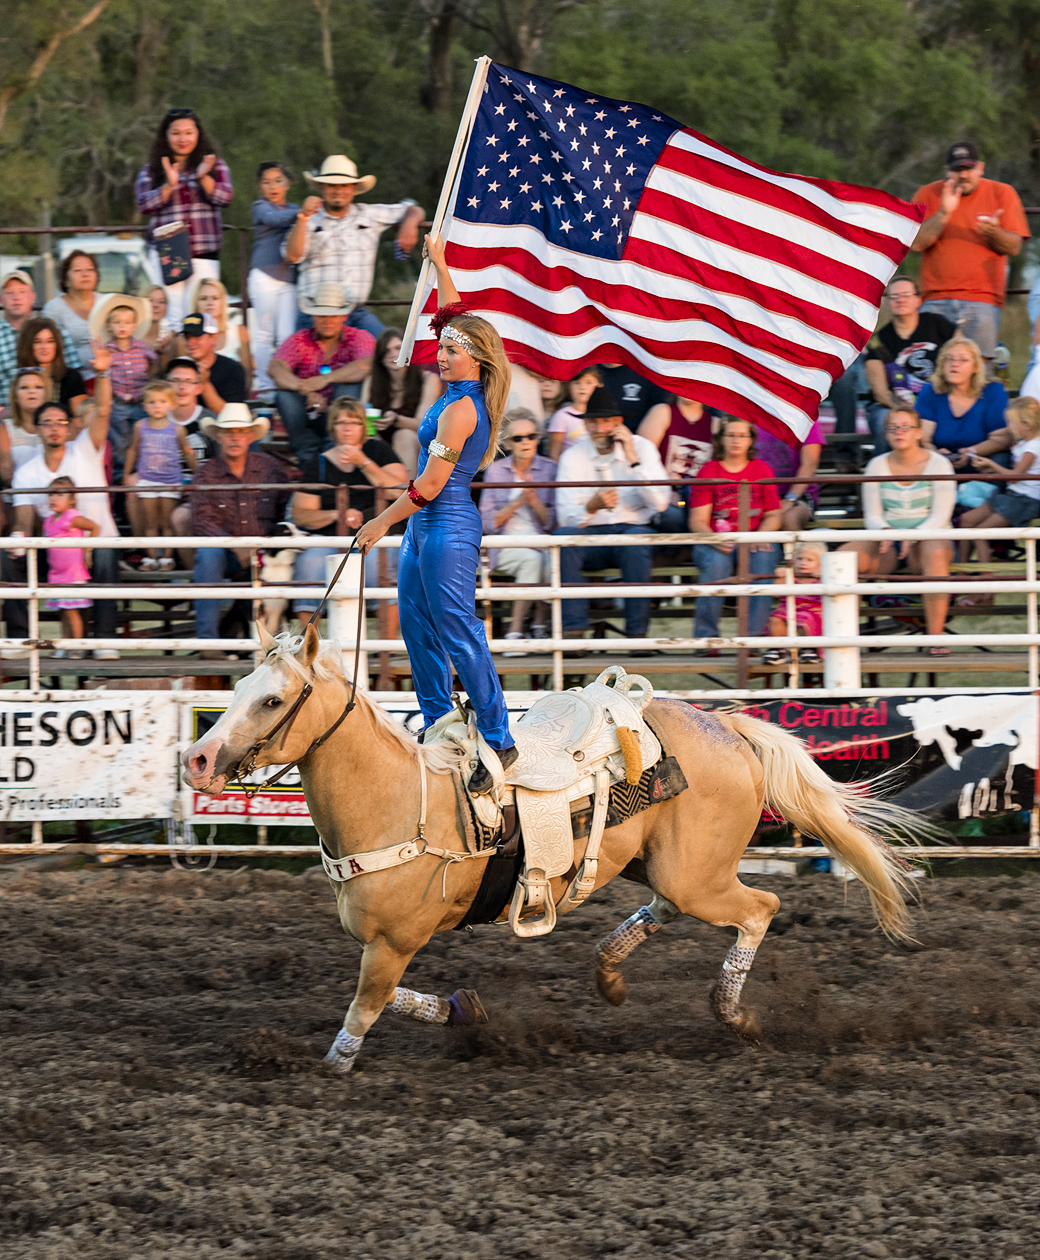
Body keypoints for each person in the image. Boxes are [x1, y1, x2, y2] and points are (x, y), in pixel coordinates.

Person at [354, 231, 515, 793]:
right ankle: (439, 724)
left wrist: (380, 521)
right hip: (425, 527)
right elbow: (453, 315)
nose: (440, 354)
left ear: (476, 358)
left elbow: (427, 486)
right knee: (418, 629)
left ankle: (498, 738)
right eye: (442, 347)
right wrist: (442, 264)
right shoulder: (456, 392)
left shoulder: (462, 411)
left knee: (457, 629)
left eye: (450, 351)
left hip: (445, 524)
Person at [5, 351, 120, 661]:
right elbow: (24, 519)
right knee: (8, 556)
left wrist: (103, 373)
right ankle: (19, 639)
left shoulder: (85, 448)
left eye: (60, 422)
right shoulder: (27, 471)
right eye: (47, 423)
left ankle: (105, 640)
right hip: (57, 554)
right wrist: (18, 538)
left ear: (69, 428)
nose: (54, 428)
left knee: (106, 554)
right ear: (38, 429)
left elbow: (103, 411)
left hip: (97, 543)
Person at [553, 386, 670, 644]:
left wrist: (632, 458)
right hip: (591, 534)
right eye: (593, 422)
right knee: (563, 539)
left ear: (618, 422)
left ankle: (637, 636)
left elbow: (661, 503)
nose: (599, 428)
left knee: (636, 542)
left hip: (631, 530)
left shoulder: (642, 448)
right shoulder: (573, 456)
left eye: (606, 421)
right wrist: (591, 506)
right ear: (586, 425)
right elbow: (565, 517)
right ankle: (573, 634)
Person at [838, 406, 955, 651]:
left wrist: (912, 536)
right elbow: (873, 515)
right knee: (843, 559)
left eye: (905, 427)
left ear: (919, 432)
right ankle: (841, 641)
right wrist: (885, 531)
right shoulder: (876, 465)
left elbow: (941, 515)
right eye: (893, 428)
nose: (899, 432)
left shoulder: (940, 464)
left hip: (930, 539)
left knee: (934, 554)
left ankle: (936, 639)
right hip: (888, 542)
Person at [290, 397, 408, 632]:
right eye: (341, 422)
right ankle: (309, 643)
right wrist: (337, 514)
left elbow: (399, 493)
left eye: (354, 422)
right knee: (309, 563)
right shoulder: (319, 463)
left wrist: (363, 462)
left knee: (376, 563)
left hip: (378, 534)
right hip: (331, 537)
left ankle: (387, 644)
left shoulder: (379, 451)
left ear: (364, 426)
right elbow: (301, 515)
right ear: (332, 427)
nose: (347, 428)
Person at [911, 142, 1029, 363]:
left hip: (982, 299)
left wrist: (994, 232)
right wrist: (944, 213)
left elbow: (1014, 247)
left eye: (969, 168)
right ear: (947, 171)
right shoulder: (927, 194)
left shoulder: (1002, 193)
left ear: (980, 168)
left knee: (979, 370)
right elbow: (916, 243)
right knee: (931, 369)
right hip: (935, 298)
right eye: (957, 169)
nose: (963, 175)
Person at [283, 154, 424, 338]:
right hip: (315, 312)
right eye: (332, 185)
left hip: (354, 311)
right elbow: (292, 255)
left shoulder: (368, 214)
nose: (338, 191)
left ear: (354, 188)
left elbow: (412, 208)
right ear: (322, 187)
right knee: (305, 353)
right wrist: (302, 217)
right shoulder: (308, 218)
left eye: (344, 185)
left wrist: (410, 224)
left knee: (390, 348)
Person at [189, 404, 291, 656]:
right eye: (228, 432)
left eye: (241, 432)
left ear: (250, 436)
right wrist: (236, 545)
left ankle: (279, 643)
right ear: (218, 437)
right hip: (225, 552)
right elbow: (202, 520)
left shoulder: (271, 469)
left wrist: (267, 546)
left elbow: (285, 510)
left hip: (267, 551)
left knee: (285, 561)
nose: (235, 438)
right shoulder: (205, 474)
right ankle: (209, 643)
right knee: (208, 556)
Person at [134, 108, 234, 326]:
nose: (183, 139)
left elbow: (226, 197)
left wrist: (204, 177)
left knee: (204, 314)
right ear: (166, 136)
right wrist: (169, 185)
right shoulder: (152, 169)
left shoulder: (214, 164)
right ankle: (175, 349)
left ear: (198, 135)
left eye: (189, 133)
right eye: (176, 133)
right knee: (172, 316)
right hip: (168, 250)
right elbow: (143, 204)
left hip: (204, 249)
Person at [688, 418, 781, 644]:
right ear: (721, 439)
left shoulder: (762, 469)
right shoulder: (709, 471)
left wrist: (759, 536)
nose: (736, 440)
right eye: (730, 435)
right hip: (715, 539)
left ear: (751, 440)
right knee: (716, 565)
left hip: (754, 536)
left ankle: (753, 639)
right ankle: (706, 639)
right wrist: (714, 539)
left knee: (763, 559)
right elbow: (697, 521)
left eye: (742, 435)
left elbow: (774, 515)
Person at [268, 283, 375, 461]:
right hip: (307, 411)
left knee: (348, 389)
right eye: (322, 315)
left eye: (333, 315)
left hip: (340, 411)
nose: (327, 321)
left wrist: (325, 380)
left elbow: (366, 364)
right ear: (313, 317)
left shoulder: (359, 337)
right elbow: (276, 367)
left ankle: (334, 451)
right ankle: (309, 458)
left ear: (344, 316)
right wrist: (305, 389)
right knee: (284, 395)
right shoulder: (300, 339)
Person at [479, 408, 557, 651]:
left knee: (550, 558)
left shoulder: (550, 469)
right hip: (504, 544)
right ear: (508, 444)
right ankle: (517, 630)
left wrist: (533, 501)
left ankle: (537, 625)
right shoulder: (495, 470)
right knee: (534, 559)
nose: (526, 442)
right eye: (518, 438)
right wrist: (517, 502)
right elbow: (488, 523)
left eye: (531, 436)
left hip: (541, 539)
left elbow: (553, 522)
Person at [864, 276, 957, 456]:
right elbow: (881, 393)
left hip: (938, 399)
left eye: (906, 295)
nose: (900, 300)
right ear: (888, 302)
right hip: (894, 405)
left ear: (918, 300)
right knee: (887, 421)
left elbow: (964, 351)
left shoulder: (938, 324)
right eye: (894, 296)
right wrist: (910, 412)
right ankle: (885, 470)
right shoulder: (878, 341)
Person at [123, 380, 197, 570]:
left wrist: (197, 473)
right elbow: (133, 450)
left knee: (167, 522)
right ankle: (151, 558)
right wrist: (126, 473)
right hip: (147, 480)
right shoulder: (140, 426)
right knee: (150, 522)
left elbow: (187, 452)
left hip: (170, 481)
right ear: (144, 406)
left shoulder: (177, 429)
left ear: (172, 404)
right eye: (152, 402)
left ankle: (167, 558)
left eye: (163, 401)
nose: (157, 406)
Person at [959, 397, 1040, 567]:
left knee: (980, 533)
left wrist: (992, 464)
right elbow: (1016, 475)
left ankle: (985, 580)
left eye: (1011, 423)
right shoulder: (1025, 443)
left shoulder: (1033, 447)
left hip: (1024, 501)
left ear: (1027, 424)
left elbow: (1015, 477)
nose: (1009, 427)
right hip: (1011, 496)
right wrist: (989, 469)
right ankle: (961, 572)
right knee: (966, 520)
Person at [361, 326, 441, 474]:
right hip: (381, 440)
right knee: (369, 440)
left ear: (408, 351)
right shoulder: (371, 381)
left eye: (398, 348)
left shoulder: (428, 379)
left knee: (404, 436)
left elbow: (424, 425)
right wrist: (372, 432)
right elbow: (364, 417)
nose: (393, 354)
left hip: (416, 442)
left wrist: (396, 420)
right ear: (380, 357)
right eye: (386, 350)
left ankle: (408, 487)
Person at [249, 162, 300, 395]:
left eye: (278, 181)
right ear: (260, 186)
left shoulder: (295, 209)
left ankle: (284, 385)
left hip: (289, 279)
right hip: (264, 277)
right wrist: (304, 214)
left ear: (288, 183)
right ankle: (265, 386)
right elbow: (274, 219)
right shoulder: (261, 207)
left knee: (287, 336)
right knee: (264, 334)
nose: (273, 187)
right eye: (266, 182)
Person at [915, 338, 1010, 462]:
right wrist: (936, 455)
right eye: (949, 359)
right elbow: (923, 439)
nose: (954, 364)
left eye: (963, 360)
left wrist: (971, 452)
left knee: (1001, 459)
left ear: (975, 367)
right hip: (938, 462)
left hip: (981, 461)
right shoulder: (930, 391)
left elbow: (1001, 439)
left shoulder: (993, 391)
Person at [88, 295, 154, 469]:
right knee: (119, 440)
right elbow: (102, 372)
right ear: (109, 326)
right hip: (118, 403)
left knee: (142, 436)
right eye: (117, 322)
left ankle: (140, 469)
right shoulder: (107, 350)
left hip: (140, 401)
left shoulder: (141, 347)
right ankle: (119, 474)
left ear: (134, 326)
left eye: (127, 322)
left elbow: (154, 361)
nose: (122, 326)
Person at [638, 395, 716, 532]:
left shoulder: (715, 423)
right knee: (673, 516)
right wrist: (665, 490)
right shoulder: (663, 412)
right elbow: (641, 458)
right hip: (662, 491)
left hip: (698, 495)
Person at [42, 475, 99, 657]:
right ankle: (64, 644)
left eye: (60, 495)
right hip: (56, 574)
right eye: (51, 494)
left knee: (72, 611)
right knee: (63, 612)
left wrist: (88, 550)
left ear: (72, 499)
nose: (54, 498)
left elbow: (94, 527)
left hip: (73, 573)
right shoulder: (48, 521)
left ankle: (77, 646)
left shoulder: (72, 517)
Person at [0, 269, 81, 397]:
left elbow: (74, 378)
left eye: (22, 292)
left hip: (53, 406)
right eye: (10, 293)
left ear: (32, 297)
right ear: (1, 299)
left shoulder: (57, 331)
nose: (16, 297)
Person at [43, 251, 112, 382]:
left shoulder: (107, 302)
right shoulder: (54, 308)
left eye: (90, 269)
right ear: (65, 279)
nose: (85, 274)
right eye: (78, 270)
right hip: (71, 379)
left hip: (110, 376)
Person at [755, 418, 825, 532]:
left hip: (799, 495)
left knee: (788, 519)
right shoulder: (751, 413)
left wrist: (790, 499)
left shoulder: (806, 416)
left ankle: (799, 546)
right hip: (758, 494)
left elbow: (810, 464)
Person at [764, 541, 827, 666]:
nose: (803, 563)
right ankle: (778, 648)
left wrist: (824, 576)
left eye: (809, 560)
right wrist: (780, 577)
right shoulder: (790, 577)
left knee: (804, 620)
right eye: (799, 559)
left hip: (813, 611)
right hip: (789, 609)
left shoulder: (821, 578)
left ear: (820, 563)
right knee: (775, 618)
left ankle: (809, 647)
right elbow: (775, 594)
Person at [15, 317, 87, 412]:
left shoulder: (71, 377)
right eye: (37, 341)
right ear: (27, 345)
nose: (44, 347)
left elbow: (79, 418)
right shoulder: (20, 378)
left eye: (50, 341)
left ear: (56, 345)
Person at [187, 278, 252, 382]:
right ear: (196, 303)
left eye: (215, 298)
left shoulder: (240, 332)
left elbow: (247, 376)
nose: (210, 303)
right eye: (203, 299)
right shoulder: (185, 337)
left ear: (222, 302)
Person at [181, 312, 247, 413]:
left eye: (197, 336)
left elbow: (231, 415)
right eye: (187, 337)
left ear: (214, 338)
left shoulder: (231, 369)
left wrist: (205, 384)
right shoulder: (178, 368)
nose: (190, 342)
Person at [594, 362, 672, 431]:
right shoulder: (589, 370)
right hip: (593, 436)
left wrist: (634, 441)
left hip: (635, 439)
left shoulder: (648, 372)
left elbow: (659, 414)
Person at [0, 368, 47, 480]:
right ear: (15, 396)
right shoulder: (4, 428)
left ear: (46, 394)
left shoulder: (60, 424)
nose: (31, 391)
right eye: (24, 387)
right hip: (18, 489)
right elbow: (6, 476)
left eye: (38, 387)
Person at [547, 367, 602, 461]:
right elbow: (554, 454)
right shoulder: (562, 416)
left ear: (599, 386)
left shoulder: (604, 415)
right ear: (569, 386)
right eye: (577, 382)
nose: (582, 387)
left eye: (588, 383)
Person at [142, 285, 176, 360]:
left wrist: (163, 353)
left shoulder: (171, 338)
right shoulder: (130, 335)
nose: (155, 305)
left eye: (161, 302)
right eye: (150, 300)